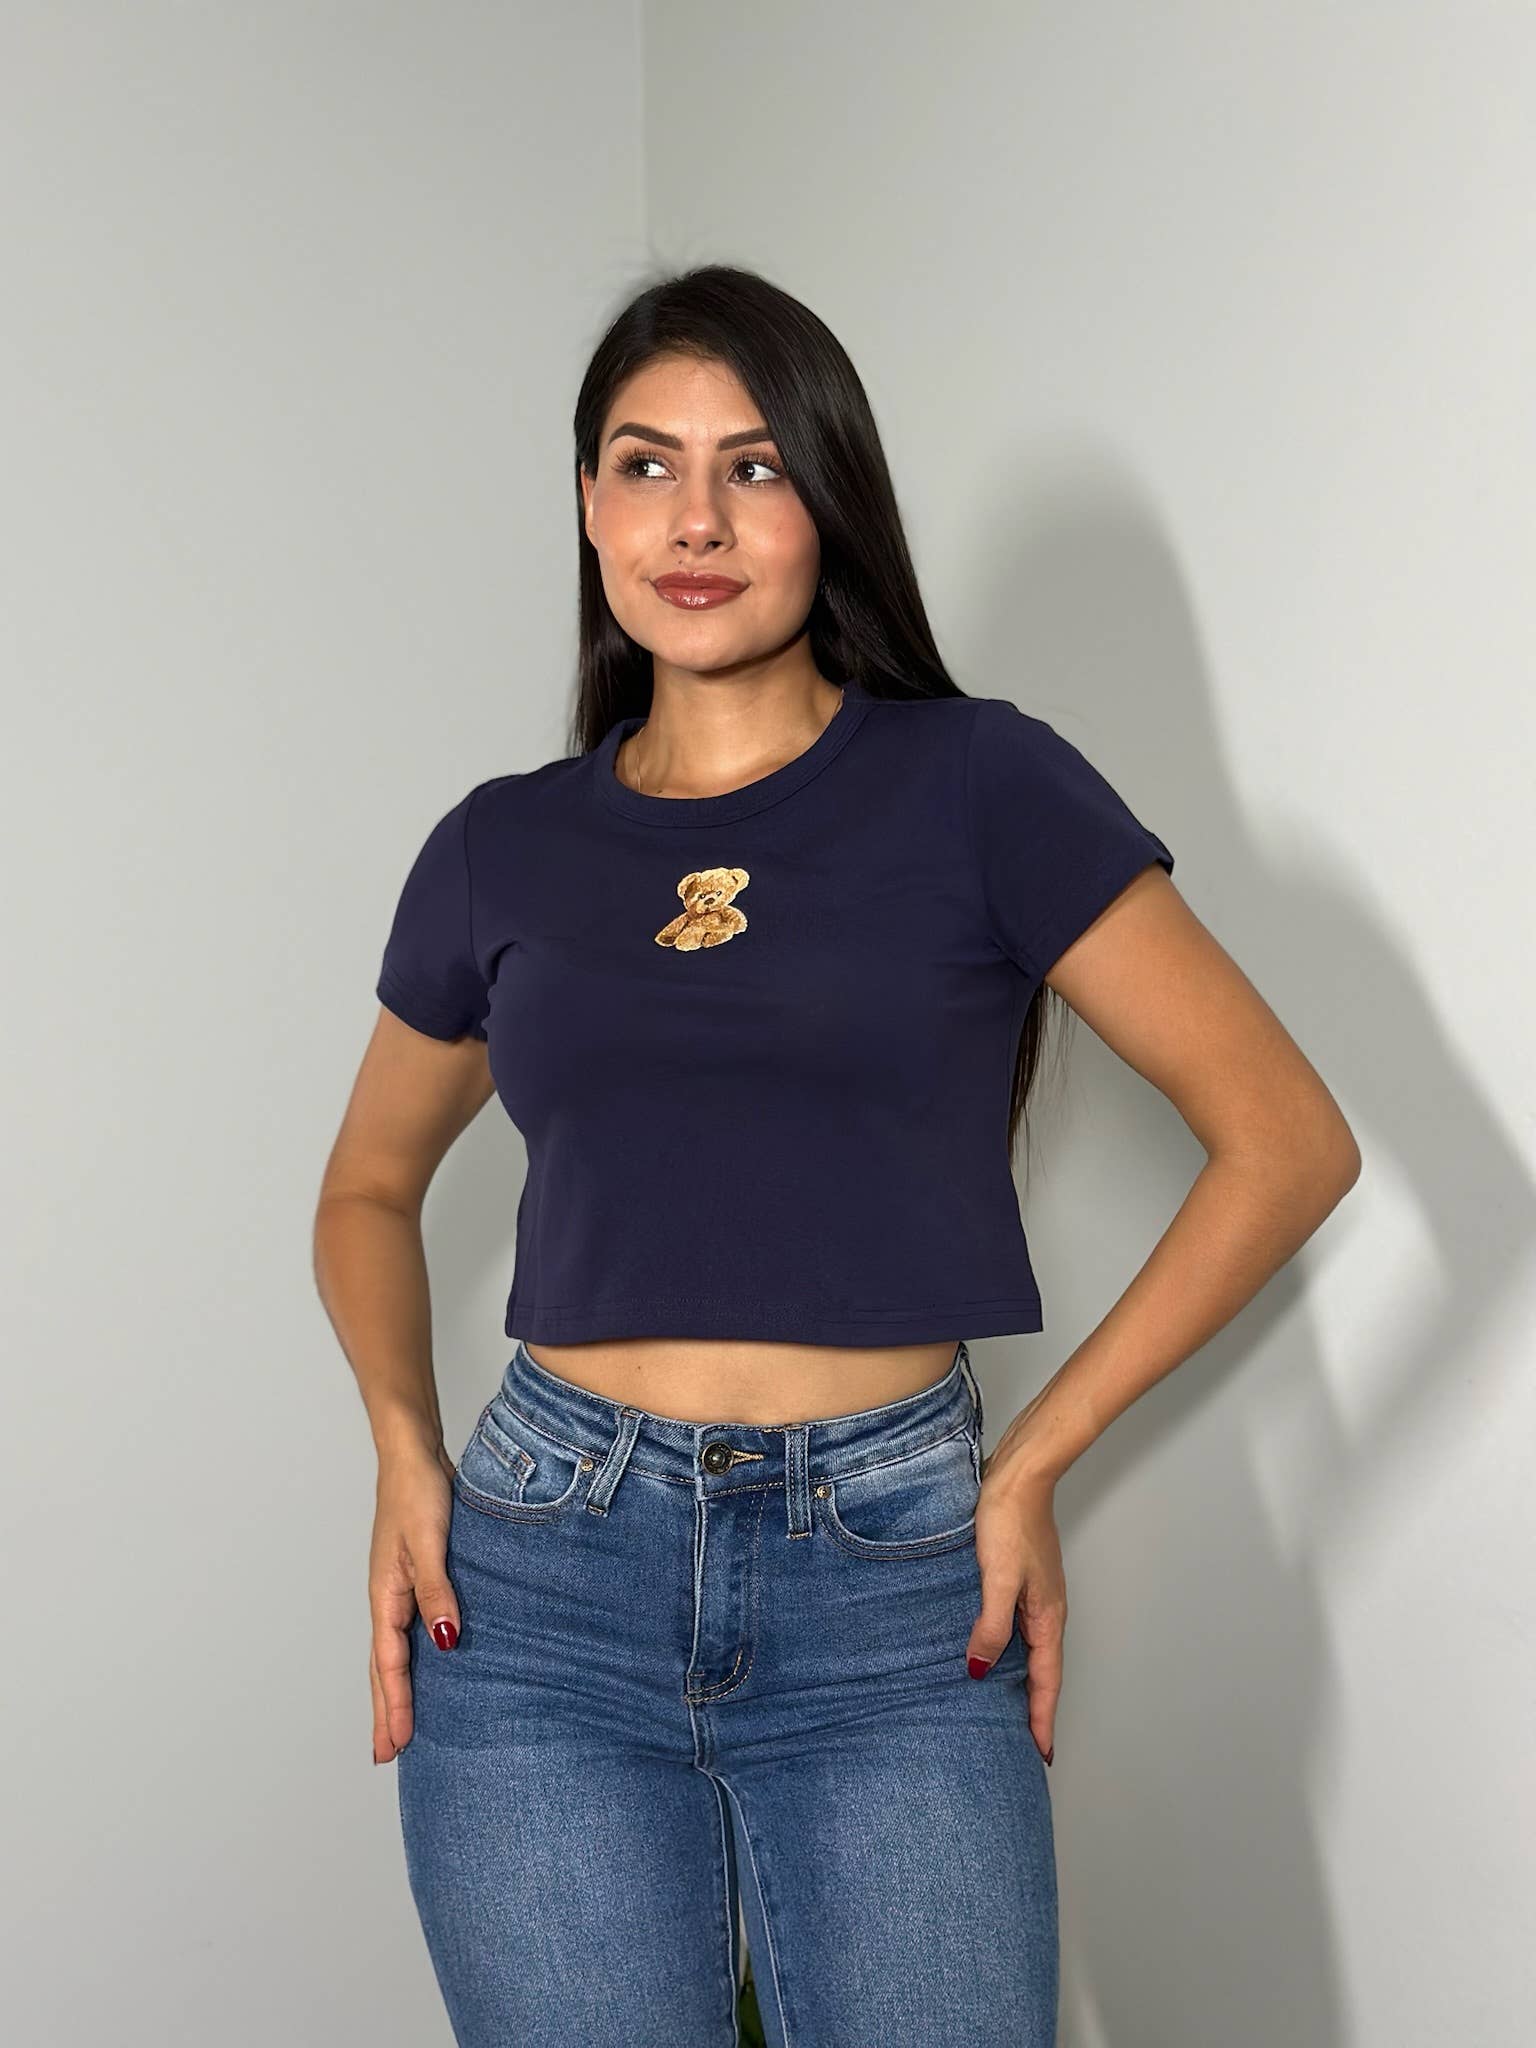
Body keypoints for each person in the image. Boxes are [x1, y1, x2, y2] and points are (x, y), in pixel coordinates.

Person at [313, 263, 1361, 2048]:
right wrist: (404, 1446)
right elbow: (365, 1188)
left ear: (829, 497)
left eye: (754, 467)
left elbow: (1286, 1142)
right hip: (544, 1587)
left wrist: (1033, 1461)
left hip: (893, 1591)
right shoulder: (501, 848)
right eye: (645, 466)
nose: (696, 521)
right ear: (588, 506)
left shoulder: (983, 785)